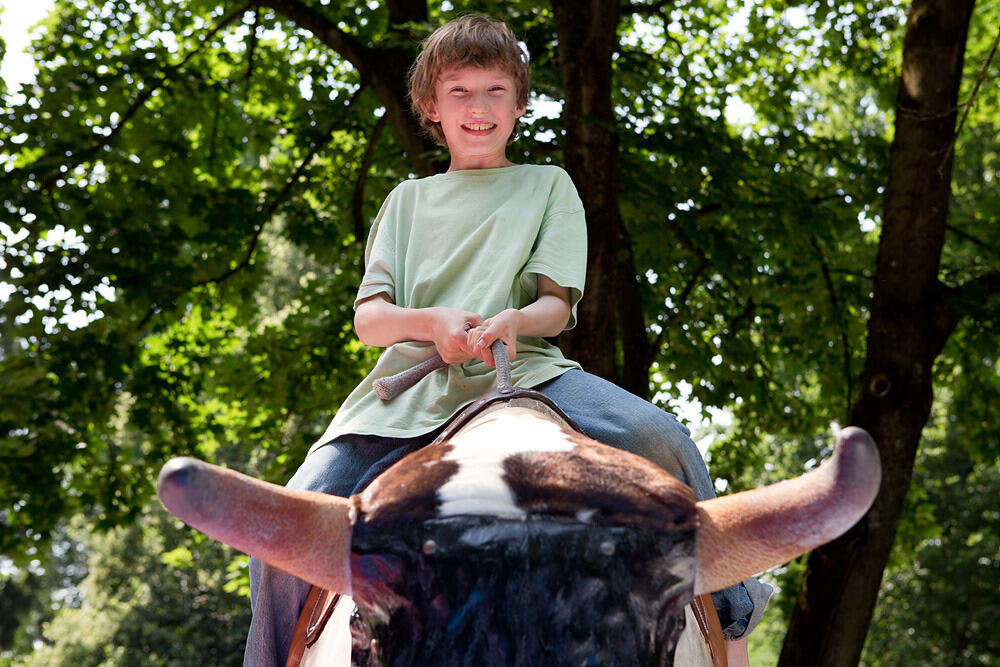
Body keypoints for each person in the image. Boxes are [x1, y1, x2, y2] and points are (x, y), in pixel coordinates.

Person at [244, 14, 769, 666]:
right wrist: (432, 323)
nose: (479, 108)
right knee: (284, 518)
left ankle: (733, 612)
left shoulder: (548, 185)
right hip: (409, 396)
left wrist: (514, 322)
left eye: (495, 91)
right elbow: (371, 319)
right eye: (460, 92)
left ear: (520, 105)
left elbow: (554, 306)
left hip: (532, 377)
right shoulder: (406, 201)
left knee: (662, 436)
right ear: (431, 107)